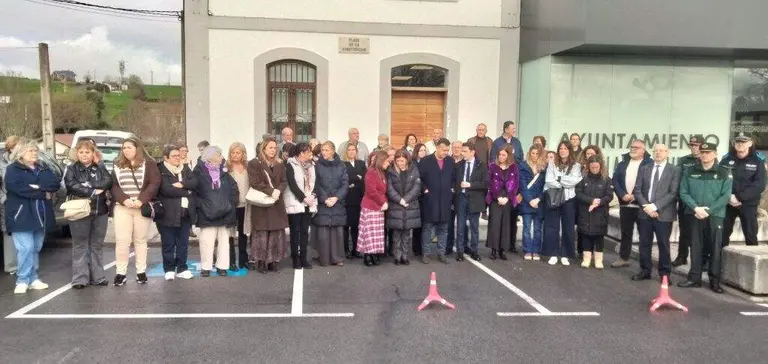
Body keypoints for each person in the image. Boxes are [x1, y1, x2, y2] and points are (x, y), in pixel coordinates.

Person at [5, 141, 60, 294]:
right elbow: (17, 188)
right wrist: (42, 192)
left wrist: (35, 187)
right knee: (26, 248)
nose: (34, 153)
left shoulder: (43, 168)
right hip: (21, 215)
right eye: (30, 150)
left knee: (35, 248)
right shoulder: (13, 169)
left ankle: (33, 278)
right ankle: (22, 279)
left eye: (36, 150)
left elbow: (54, 184)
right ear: (21, 153)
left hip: (41, 215)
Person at [677, 142, 732, 293]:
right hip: (694, 214)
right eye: (702, 152)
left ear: (715, 154)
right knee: (695, 246)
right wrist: (695, 207)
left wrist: (709, 210)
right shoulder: (690, 171)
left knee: (715, 247)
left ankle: (714, 281)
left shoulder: (724, 172)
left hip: (715, 215)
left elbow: (725, 196)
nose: (705, 155)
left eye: (708, 152)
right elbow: (683, 192)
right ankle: (694, 278)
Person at [111, 137, 161, 286]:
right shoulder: (117, 164)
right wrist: (123, 199)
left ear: (137, 148)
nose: (126, 150)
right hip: (123, 207)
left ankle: (141, 272)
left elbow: (154, 183)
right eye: (124, 148)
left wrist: (141, 199)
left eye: (129, 147)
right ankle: (121, 273)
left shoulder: (149, 164)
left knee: (140, 240)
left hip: (141, 206)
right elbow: (113, 185)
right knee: (122, 241)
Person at [64, 140, 113, 288]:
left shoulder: (101, 167)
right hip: (80, 212)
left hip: (100, 211)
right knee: (80, 245)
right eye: (81, 152)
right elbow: (72, 186)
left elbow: (108, 181)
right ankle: (80, 279)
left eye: (87, 152)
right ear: (76, 153)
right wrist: (92, 191)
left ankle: (98, 277)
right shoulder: (71, 168)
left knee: (96, 245)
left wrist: (90, 185)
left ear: (93, 153)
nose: (84, 155)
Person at [631, 144, 681, 280]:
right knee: (644, 243)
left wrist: (654, 207)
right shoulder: (644, 168)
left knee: (663, 244)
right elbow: (637, 190)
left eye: (661, 151)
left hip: (663, 214)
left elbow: (673, 193)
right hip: (645, 213)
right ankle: (645, 270)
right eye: (655, 151)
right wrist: (647, 206)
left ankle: (665, 274)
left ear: (667, 153)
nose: (658, 153)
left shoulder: (675, 170)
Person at [194, 146, 238, 277]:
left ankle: (222, 267)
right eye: (219, 155)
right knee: (206, 242)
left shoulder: (224, 172)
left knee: (224, 242)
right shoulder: (199, 172)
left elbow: (234, 188)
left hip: (225, 212)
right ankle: (205, 267)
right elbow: (194, 192)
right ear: (212, 157)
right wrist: (201, 205)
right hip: (206, 214)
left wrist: (231, 203)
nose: (222, 158)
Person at [248, 138, 289, 273]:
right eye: (270, 147)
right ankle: (261, 261)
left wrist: (279, 190)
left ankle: (273, 260)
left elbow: (284, 180)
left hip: (276, 203)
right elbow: (255, 182)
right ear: (263, 149)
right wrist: (271, 191)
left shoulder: (280, 163)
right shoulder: (255, 163)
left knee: (276, 232)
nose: (273, 150)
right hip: (262, 203)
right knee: (262, 232)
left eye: (274, 147)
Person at [156, 145, 197, 281]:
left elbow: (195, 182)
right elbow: (165, 190)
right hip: (167, 212)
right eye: (174, 156)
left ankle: (182, 268)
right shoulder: (160, 170)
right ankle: (168, 269)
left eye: (178, 155)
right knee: (168, 243)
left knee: (183, 243)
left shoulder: (185, 169)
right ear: (166, 158)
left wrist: (183, 184)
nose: (177, 158)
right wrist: (187, 191)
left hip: (185, 213)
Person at [719, 133, 766, 248]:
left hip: (748, 203)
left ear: (750, 143)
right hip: (728, 202)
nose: (740, 144)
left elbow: (760, 184)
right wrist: (729, 196)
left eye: (743, 142)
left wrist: (739, 197)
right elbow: (719, 179)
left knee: (750, 235)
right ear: (734, 143)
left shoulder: (758, 160)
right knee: (722, 234)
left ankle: (753, 264)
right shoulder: (726, 159)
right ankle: (717, 262)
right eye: (738, 142)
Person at [610, 139, 652, 268]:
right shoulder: (623, 163)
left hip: (642, 205)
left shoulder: (649, 164)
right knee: (626, 232)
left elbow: (650, 183)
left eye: (637, 147)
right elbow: (615, 180)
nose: (633, 149)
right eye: (632, 147)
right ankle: (623, 258)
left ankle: (645, 263)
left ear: (643, 150)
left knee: (644, 235)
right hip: (625, 204)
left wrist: (635, 195)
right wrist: (622, 195)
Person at [543, 141, 582, 266]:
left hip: (569, 199)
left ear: (569, 150)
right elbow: (549, 181)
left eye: (565, 148)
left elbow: (574, 181)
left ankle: (565, 254)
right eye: (560, 148)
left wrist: (559, 179)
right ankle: (553, 253)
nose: (562, 150)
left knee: (568, 227)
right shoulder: (552, 164)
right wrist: (563, 182)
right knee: (552, 226)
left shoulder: (576, 166)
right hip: (554, 198)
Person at [418, 138, 455, 264]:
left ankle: (441, 253)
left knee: (443, 229)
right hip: (430, 200)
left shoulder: (450, 161)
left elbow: (454, 178)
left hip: (445, 200)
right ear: (438, 147)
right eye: (444, 150)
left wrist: (452, 189)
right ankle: (426, 254)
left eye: (447, 150)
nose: (446, 152)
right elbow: (419, 179)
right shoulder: (426, 161)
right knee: (427, 228)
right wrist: (425, 190)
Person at [311, 141, 348, 267]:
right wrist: (324, 198)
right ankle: (324, 258)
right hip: (323, 203)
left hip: (337, 203)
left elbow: (345, 184)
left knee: (337, 231)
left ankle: (336, 258)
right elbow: (316, 184)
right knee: (323, 232)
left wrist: (336, 198)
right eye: (323, 150)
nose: (324, 152)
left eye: (327, 150)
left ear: (333, 150)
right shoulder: (317, 165)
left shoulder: (341, 165)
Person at [574, 156, 614, 269]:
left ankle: (598, 260)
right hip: (585, 212)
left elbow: (609, 195)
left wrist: (598, 202)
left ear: (600, 166)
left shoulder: (607, 179)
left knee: (599, 237)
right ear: (588, 167)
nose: (595, 169)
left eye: (597, 167)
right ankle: (586, 259)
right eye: (592, 167)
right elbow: (578, 193)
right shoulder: (583, 179)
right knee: (586, 235)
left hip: (600, 212)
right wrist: (591, 200)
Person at [284, 142, 317, 270]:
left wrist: (313, 196)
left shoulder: (312, 165)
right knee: (295, 232)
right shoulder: (290, 165)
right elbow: (292, 185)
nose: (310, 154)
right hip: (296, 202)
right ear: (301, 153)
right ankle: (295, 258)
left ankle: (303, 258)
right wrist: (303, 198)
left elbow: (315, 182)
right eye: (308, 152)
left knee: (304, 232)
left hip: (309, 202)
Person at [453, 142, 488, 262]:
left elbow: (485, 184)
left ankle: (474, 251)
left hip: (475, 199)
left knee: (474, 226)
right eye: (462, 151)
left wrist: (470, 185)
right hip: (462, 198)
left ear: (472, 152)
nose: (462, 153)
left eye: (465, 151)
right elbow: (454, 182)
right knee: (461, 226)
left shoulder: (481, 165)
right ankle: (460, 251)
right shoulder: (459, 165)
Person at [386, 149, 421, 265]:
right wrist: (400, 200)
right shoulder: (390, 171)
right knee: (396, 233)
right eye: (398, 160)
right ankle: (397, 256)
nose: (400, 163)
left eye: (402, 160)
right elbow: (389, 189)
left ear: (407, 160)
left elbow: (416, 187)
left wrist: (406, 199)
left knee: (406, 234)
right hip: (396, 205)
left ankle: (405, 256)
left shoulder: (414, 170)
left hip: (409, 205)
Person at [672, 134, 703, 266]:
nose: (694, 148)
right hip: (685, 202)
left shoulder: (708, 159)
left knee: (701, 233)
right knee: (684, 231)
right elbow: (677, 179)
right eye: (692, 145)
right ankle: (682, 256)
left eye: (696, 145)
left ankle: (702, 260)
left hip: (702, 202)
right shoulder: (684, 160)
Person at [357, 151, 391, 266]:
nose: (388, 164)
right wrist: (383, 202)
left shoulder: (381, 172)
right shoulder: (371, 173)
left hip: (379, 207)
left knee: (377, 234)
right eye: (386, 161)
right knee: (369, 233)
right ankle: (367, 255)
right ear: (381, 161)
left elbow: (383, 191)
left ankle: (374, 254)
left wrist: (384, 202)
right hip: (370, 207)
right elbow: (371, 191)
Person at [486, 145, 519, 260]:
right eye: (499, 154)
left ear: (508, 156)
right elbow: (489, 183)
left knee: (505, 224)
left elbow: (515, 184)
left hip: (507, 199)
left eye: (503, 155)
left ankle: (502, 250)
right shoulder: (492, 166)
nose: (501, 157)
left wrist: (508, 198)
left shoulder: (514, 167)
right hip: (496, 199)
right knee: (495, 224)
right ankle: (494, 250)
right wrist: (497, 197)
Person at [519, 144, 546, 261]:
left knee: (537, 229)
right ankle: (527, 250)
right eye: (532, 153)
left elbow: (546, 186)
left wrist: (538, 199)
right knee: (526, 228)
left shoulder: (544, 167)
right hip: (527, 201)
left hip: (539, 202)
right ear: (529, 153)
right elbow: (522, 185)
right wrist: (530, 200)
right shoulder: (523, 165)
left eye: (537, 153)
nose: (534, 156)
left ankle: (536, 250)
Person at [1, 135, 22, 275]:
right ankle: (12, 266)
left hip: (24, 202)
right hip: (7, 202)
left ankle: (25, 264)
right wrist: (3, 198)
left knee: (24, 232)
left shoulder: (25, 162)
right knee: (9, 233)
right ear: (11, 148)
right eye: (17, 147)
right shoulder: (2, 164)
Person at [227, 142, 250, 270]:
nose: (235, 155)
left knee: (243, 234)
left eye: (238, 152)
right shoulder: (226, 167)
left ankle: (243, 260)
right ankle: (231, 261)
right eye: (233, 152)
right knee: (230, 234)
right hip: (231, 206)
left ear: (243, 154)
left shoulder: (247, 166)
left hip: (245, 205)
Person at [342, 143, 366, 259]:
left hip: (358, 199)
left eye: (353, 150)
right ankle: (346, 250)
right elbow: (345, 178)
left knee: (356, 226)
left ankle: (356, 249)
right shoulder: (342, 164)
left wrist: (354, 180)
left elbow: (364, 178)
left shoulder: (361, 163)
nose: (351, 152)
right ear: (346, 151)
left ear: (356, 151)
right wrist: (357, 177)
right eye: (349, 150)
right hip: (346, 199)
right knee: (346, 226)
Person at [446, 140, 466, 255]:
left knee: (462, 223)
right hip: (449, 195)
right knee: (449, 222)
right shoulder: (448, 160)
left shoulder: (465, 161)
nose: (457, 149)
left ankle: (463, 246)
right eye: (454, 147)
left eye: (459, 147)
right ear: (451, 149)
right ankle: (448, 246)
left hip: (462, 196)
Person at [411, 143, 427, 257]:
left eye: (424, 150)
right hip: (417, 196)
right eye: (421, 150)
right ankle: (416, 248)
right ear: (416, 151)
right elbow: (416, 179)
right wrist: (424, 188)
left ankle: (422, 246)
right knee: (417, 223)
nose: (423, 152)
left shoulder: (427, 162)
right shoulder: (413, 163)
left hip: (426, 197)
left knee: (424, 223)